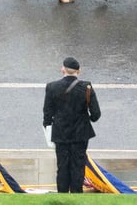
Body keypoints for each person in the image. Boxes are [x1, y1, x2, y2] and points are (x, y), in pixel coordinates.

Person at [42, 56, 100, 194]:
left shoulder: (52, 87)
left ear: (63, 70)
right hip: (80, 133)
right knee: (78, 166)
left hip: (60, 132)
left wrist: (49, 130)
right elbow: (96, 114)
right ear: (78, 71)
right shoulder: (86, 87)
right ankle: (76, 194)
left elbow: (47, 114)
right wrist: (89, 118)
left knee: (62, 166)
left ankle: (62, 194)